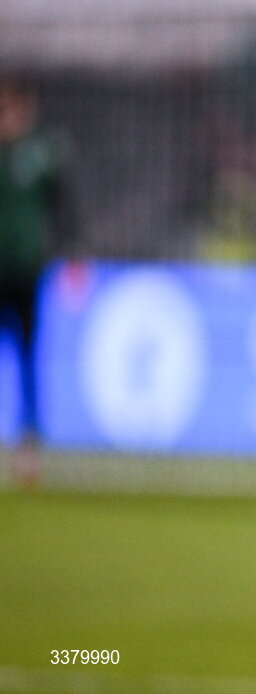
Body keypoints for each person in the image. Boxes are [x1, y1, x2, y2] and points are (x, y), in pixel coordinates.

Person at [0, 71, 75, 486]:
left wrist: (73, 252)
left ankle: (28, 446)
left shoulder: (44, 152)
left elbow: (65, 205)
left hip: (27, 270)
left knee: (29, 358)